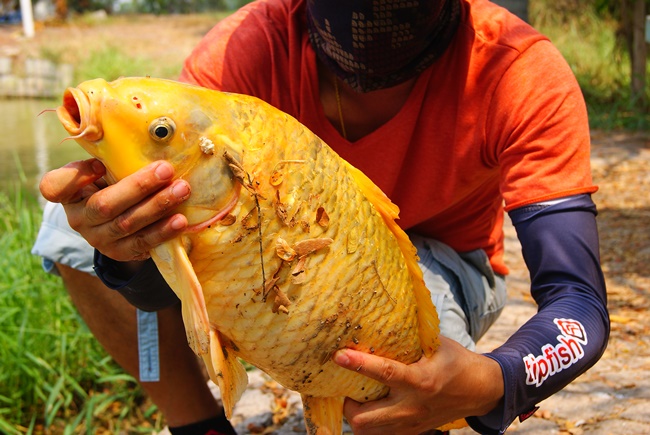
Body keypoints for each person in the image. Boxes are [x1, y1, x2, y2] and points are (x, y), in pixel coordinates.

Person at [33, 0, 610, 434]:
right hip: (267, 242)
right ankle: (200, 426)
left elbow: (578, 305)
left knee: (402, 405)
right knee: (73, 221)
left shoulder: (516, 69)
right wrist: (126, 254)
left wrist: (496, 382)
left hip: (443, 257)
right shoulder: (252, 45)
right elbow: (171, 267)